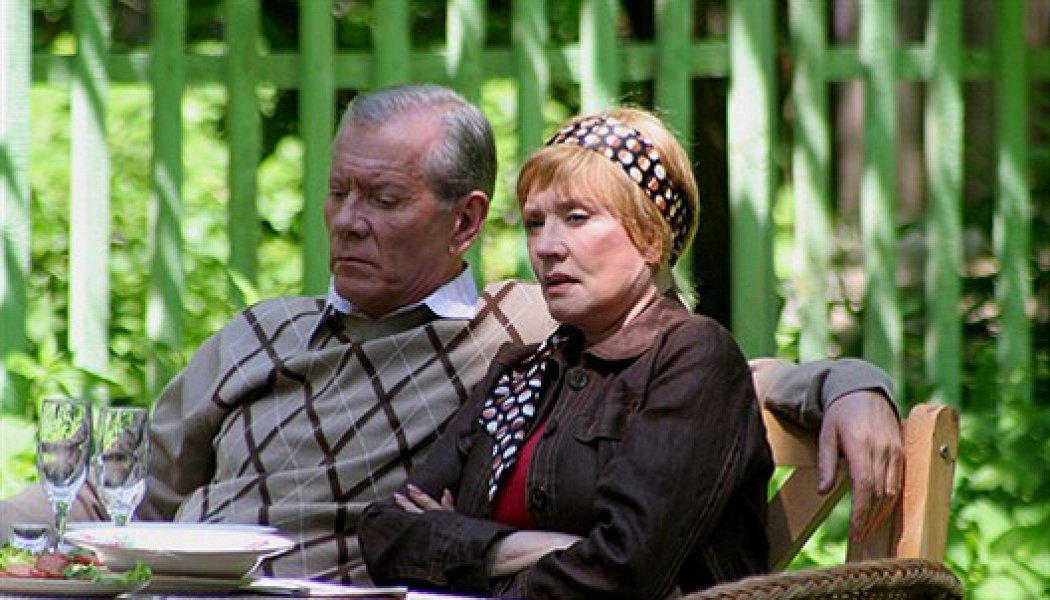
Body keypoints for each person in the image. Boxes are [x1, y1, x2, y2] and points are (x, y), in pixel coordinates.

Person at [0, 83, 899, 583]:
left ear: (464, 221)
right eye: (338, 192)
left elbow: (714, 371)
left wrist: (850, 382)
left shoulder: (529, 330)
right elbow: (124, 497)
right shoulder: (259, 335)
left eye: (383, 199)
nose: (348, 221)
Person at [358, 107, 767, 597]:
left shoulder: (692, 357)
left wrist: (460, 546)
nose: (547, 246)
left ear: (651, 237)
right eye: (535, 223)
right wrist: (526, 547)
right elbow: (386, 534)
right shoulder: (521, 373)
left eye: (576, 218)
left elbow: (624, 570)